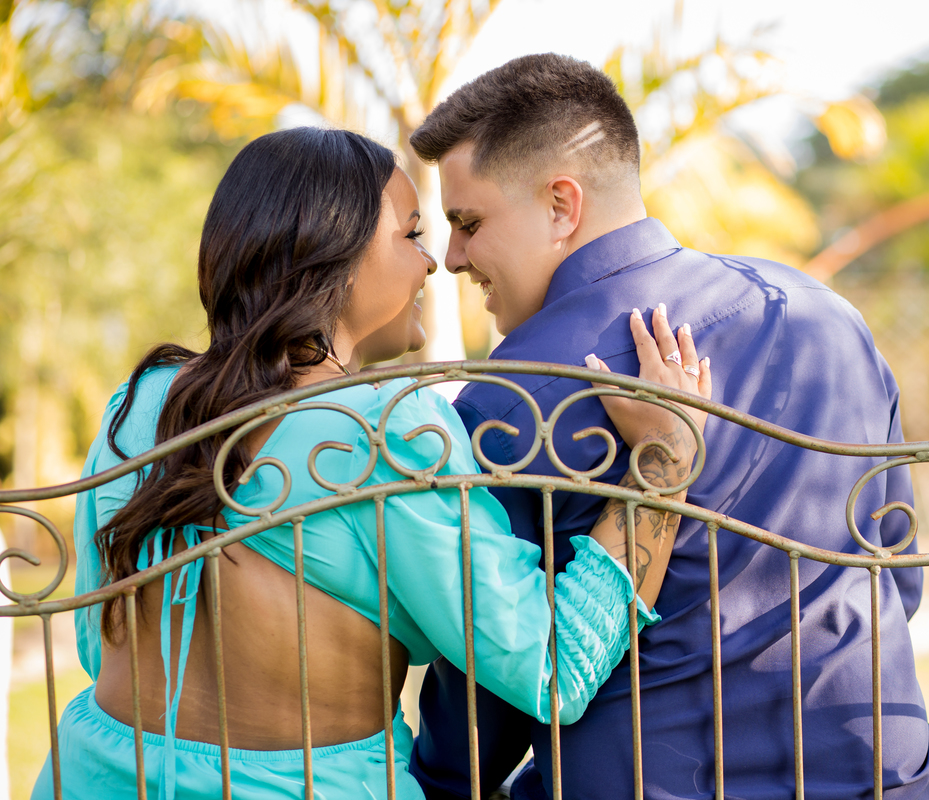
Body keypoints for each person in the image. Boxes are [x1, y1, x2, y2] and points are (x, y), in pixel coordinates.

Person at [35, 126, 711, 799]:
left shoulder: (142, 402)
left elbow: (101, 643)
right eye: (412, 235)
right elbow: (554, 664)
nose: (433, 264)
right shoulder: (385, 432)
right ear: (335, 258)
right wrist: (666, 456)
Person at [408, 54, 929, 799]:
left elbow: (496, 680)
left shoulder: (515, 398)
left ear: (561, 205)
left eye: (468, 223)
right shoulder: (827, 315)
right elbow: (896, 571)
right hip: (878, 769)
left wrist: (435, 782)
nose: (453, 258)